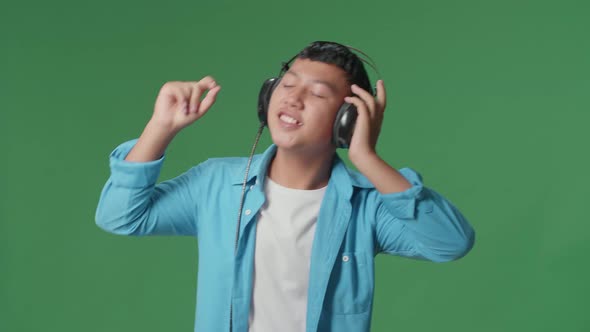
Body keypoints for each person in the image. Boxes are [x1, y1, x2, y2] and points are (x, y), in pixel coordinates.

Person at [95, 41, 475, 332]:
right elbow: (120, 217)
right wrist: (160, 127)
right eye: (288, 84)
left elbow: (450, 243)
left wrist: (369, 159)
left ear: (347, 120)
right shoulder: (217, 184)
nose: (293, 98)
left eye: (317, 93)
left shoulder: (368, 207)